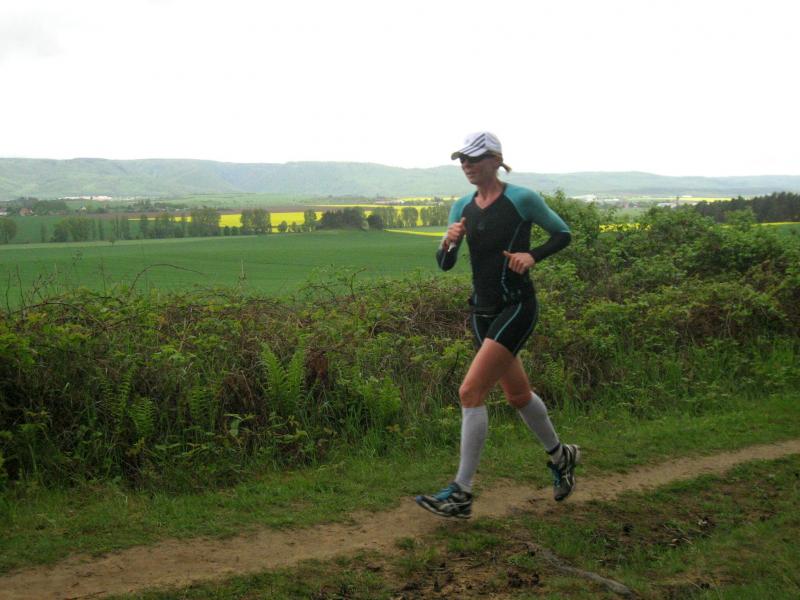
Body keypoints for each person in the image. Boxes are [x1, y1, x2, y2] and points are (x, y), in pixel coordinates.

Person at [415, 131, 580, 519]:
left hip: (516, 306)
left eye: (473, 159)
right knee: (518, 396)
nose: (466, 166)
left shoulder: (522, 199)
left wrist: (532, 255)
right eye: (462, 160)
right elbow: (445, 264)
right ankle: (562, 456)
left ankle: (462, 492)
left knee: (470, 391)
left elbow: (563, 234)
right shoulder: (461, 206)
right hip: (481, 311)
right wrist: (447, 242)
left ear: (495, 160)